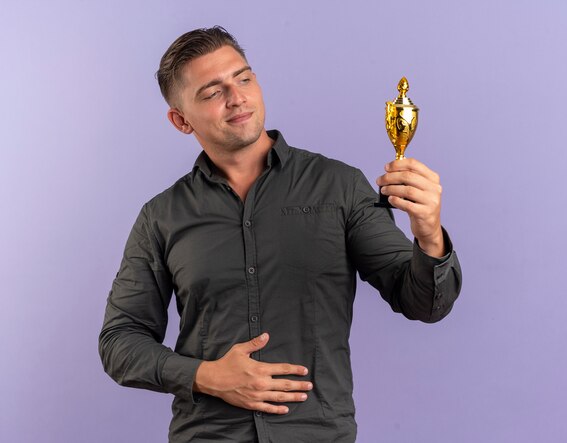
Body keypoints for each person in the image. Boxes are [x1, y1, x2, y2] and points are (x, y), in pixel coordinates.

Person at [99, 26, 462, 443]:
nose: (237, 98)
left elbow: (423, 302)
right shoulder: (161, 217)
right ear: (181, 120)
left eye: (244, 78)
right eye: (212, 92)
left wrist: (429, 232)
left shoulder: (338, 186)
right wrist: (207, 375)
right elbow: (119, 342)